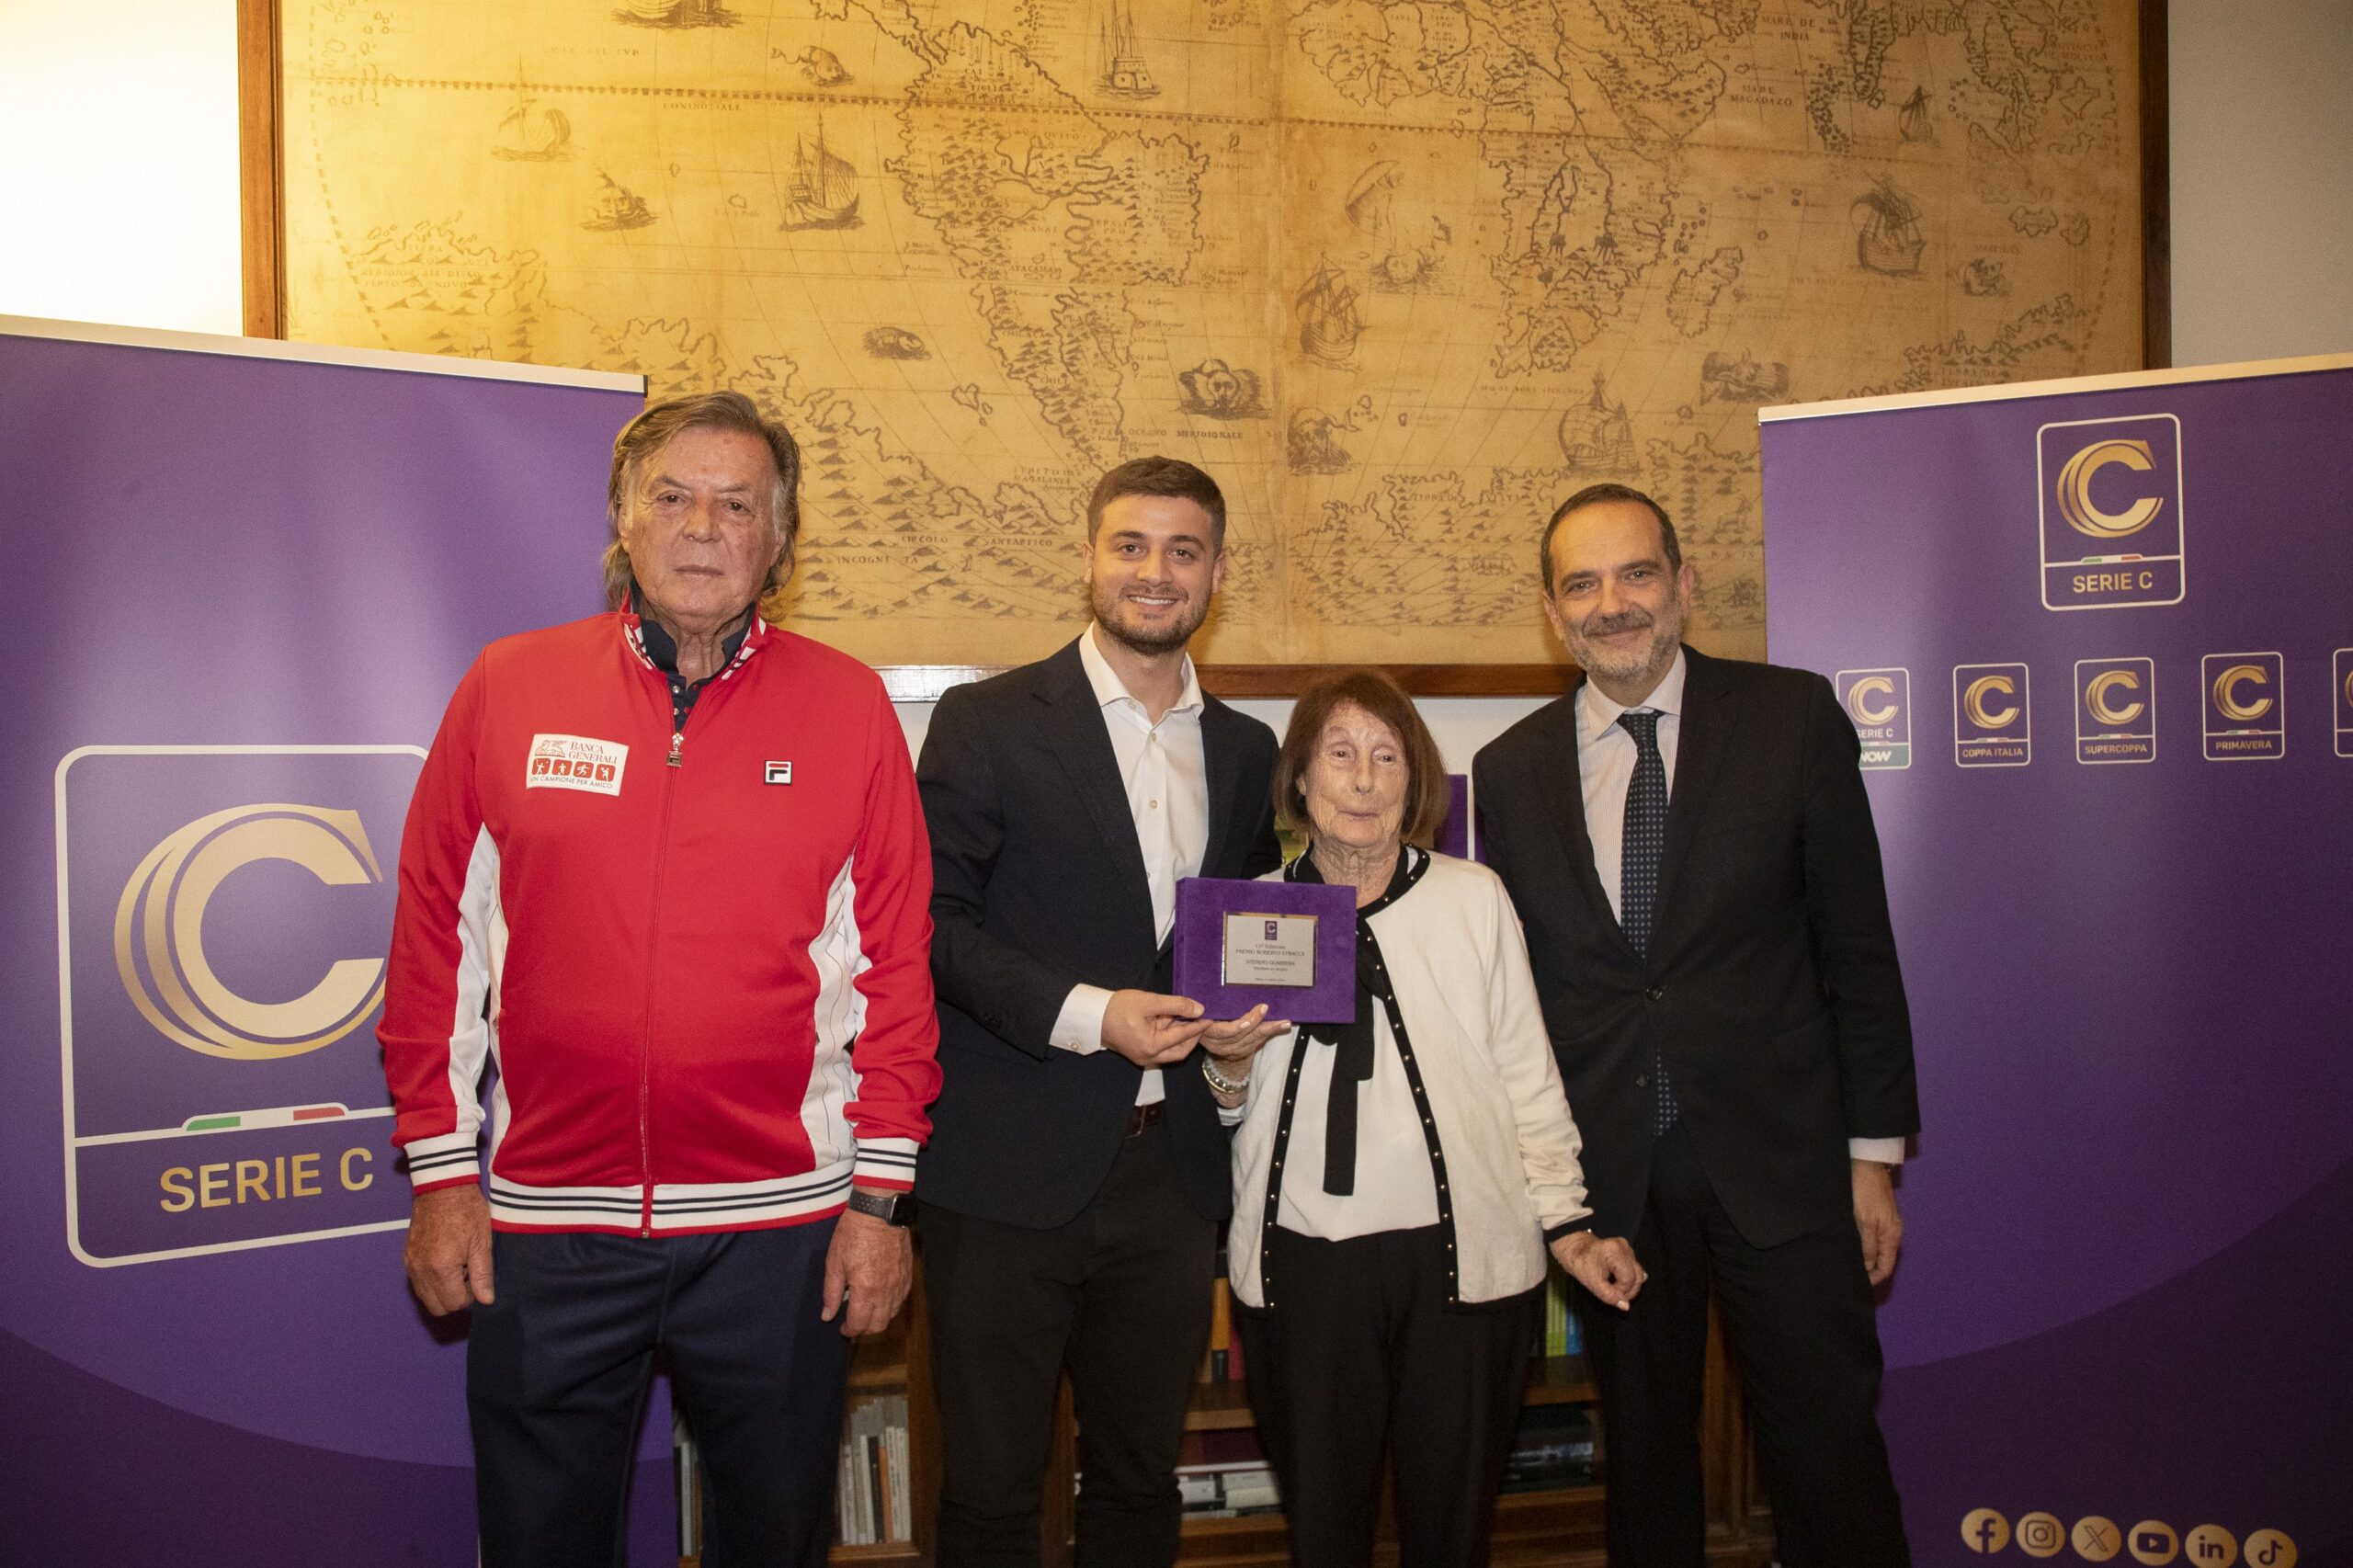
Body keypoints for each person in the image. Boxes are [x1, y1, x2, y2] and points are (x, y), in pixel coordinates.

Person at [379, 392, 940, 1568]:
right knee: (539, 1539)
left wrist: (880, 1202)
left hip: (782, 1227)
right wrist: (439, 1170)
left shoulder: (847, 707)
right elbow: (437, 937)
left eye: (737, 503)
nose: (702, 526)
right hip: (550, 1222)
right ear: (621, 523)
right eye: (672, 497)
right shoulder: (508, 686)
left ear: (779, 541)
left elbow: (897, 965)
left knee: (775, 1538)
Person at [1472, 483, 1920, 1568]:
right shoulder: (1508, 769)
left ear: (1682, 584)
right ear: (1550, 608)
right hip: (1613, 1178)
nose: (1612, 602)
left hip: (1785, 1160)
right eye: (1582, 582)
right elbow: (1517, 996)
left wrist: (1872, 1160)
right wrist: (1548, 1191)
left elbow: (1855, 949)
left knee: (1827, 1453)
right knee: (1644, 1461)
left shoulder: (1792, 717)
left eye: (1635, 573)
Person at [913, 456, 1288, 1568]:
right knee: (989, 1489)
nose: (1155, 572)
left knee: (1136, 1479)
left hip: (1167, 1179)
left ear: (1217, 570)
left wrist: (1232, 1032)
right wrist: (1090, 1013)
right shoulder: (985, 721)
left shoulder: (1247, 749)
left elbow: (1242, 939)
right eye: (1130, 545)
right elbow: (931, 923)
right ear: (1089, 557)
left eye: (1183, 550)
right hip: (1002, 1173)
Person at [1202, 669, 1643, 1568]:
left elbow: (1527, 1070)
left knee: (1452, 1528)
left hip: (1461, 1264)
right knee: (1324, 1529)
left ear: (1414, 779)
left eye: (1387, 755)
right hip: (1302, 1260)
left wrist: (1568, 1221)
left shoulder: (1472, 897)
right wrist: (1230, 1062)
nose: (1363, 778)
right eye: (1340, 753)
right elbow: (1223, 1108)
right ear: (1300, 779)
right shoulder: (1249, 911)